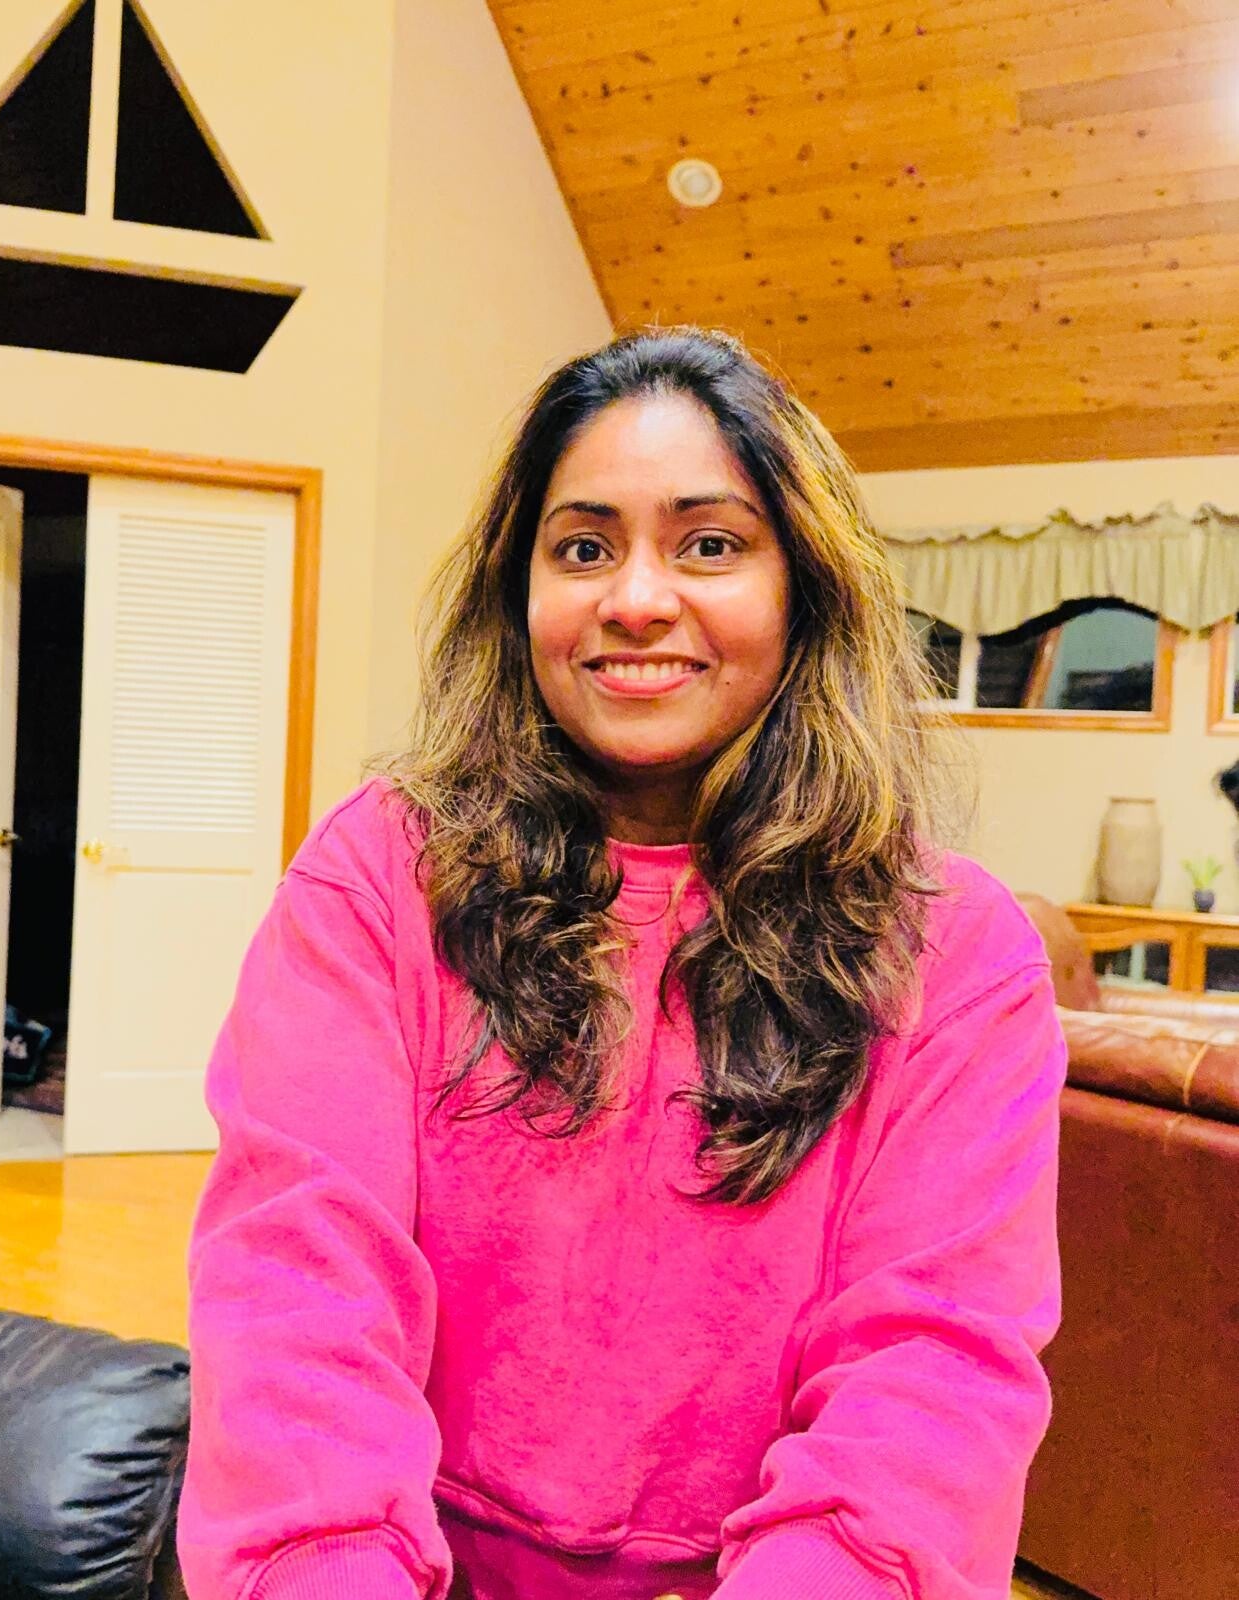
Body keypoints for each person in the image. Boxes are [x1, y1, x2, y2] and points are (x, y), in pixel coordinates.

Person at [178, 327, 1064, 1600]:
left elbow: (931, 1373)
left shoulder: (958, 950)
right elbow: (297, 1288)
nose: (636, 599)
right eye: (583, 548)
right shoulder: (378, 873)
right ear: (518, 592)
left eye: (709, 544)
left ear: (805, 589)